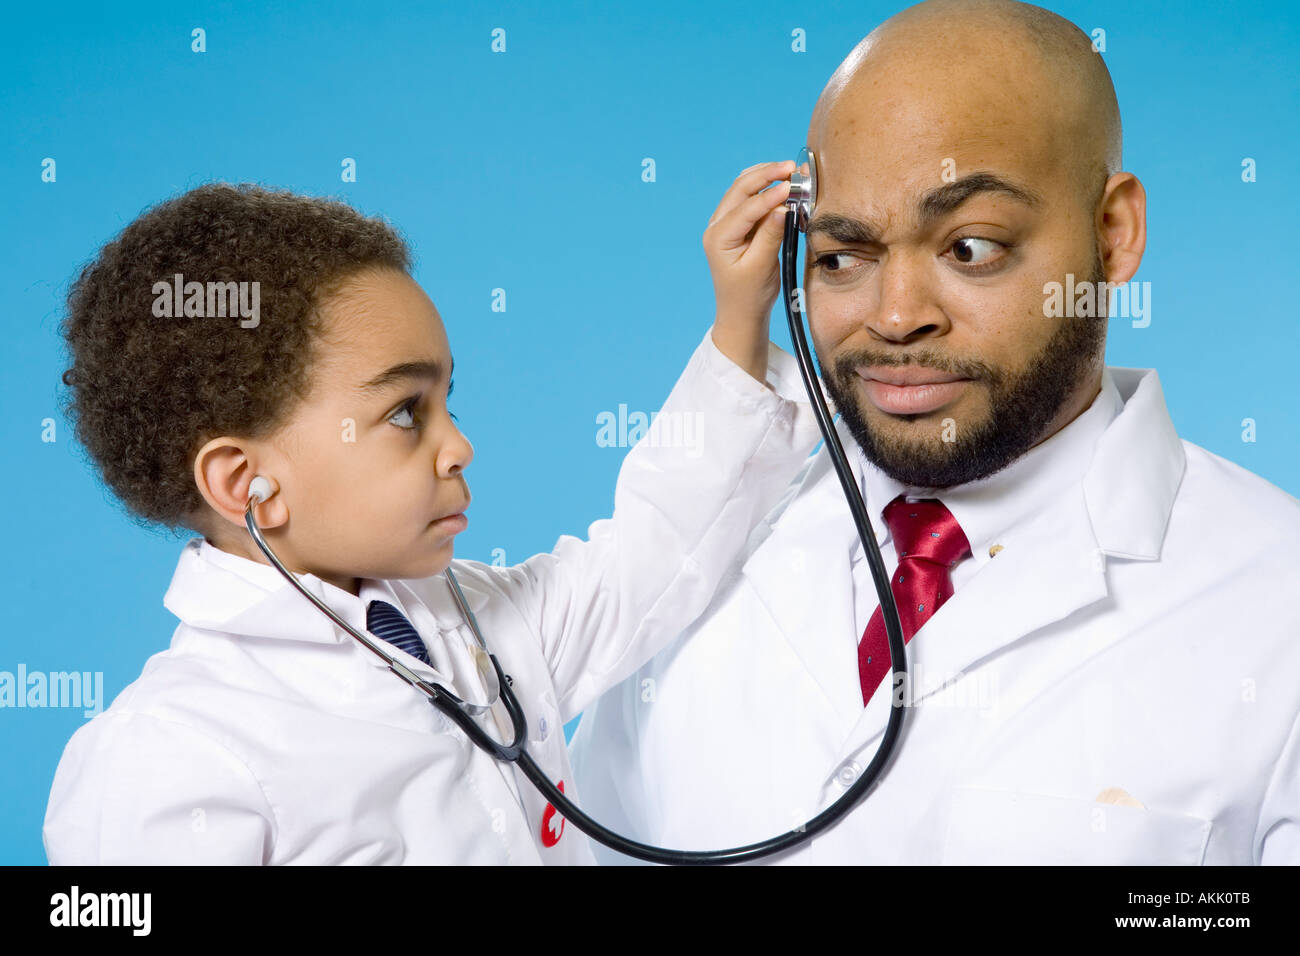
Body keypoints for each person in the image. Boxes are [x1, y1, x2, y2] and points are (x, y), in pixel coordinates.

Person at [570, 0, 1300, 865]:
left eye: (970, 248)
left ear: (1113, 233)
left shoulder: (1273, 608)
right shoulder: (694, 562)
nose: (896, 317)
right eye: (842, 256)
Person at [43, 172, 820, 865]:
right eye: (406, 412)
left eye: (449, 400)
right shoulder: (165, 761)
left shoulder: (475, 624)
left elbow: (655, 551)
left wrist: (739, 322)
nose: (459, 447)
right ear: (248, 485)